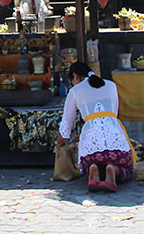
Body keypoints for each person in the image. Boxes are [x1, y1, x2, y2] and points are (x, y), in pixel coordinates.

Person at [56, 62, 136, 193]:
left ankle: (93, 169)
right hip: (116, 145)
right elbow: (113, 114)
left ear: (75, 76)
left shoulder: (74, 91)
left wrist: (59, 145)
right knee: (127, 169)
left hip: (91, 150)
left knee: (89, 163)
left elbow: (66, 125)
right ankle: (113, 170)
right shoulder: (111, 85)